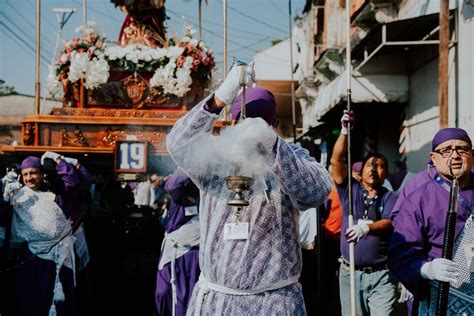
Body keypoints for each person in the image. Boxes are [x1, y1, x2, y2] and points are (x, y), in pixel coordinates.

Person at [166, 64, 332, 315]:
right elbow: (177, 145)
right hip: (219, 300)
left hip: (273, 302)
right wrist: (220, 97)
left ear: (274, 124)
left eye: (260, 123)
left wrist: (272, 144)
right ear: (232, 122)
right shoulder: (214, 158)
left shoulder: (291, 157)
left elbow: (317, 192)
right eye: (242, 122)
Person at [389, 128, 473, 315]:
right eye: (447, 150)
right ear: (434, 158)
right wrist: (425, 269)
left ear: (472, 155)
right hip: (438, 296)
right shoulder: (419, 198)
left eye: (462, 149)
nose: (455, 155)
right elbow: (399, 252)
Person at [330, 110, 399, 315]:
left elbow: (389, 222)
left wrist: (366, 228)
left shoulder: (391, 197)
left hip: (382, 275)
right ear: (361, 172)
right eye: (370, 164)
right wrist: (344, 131)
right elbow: (336, 161)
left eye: (380, 166)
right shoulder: (350, 190)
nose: (374, 169)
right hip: (350, 272)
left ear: (386, 173)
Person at [7, 153, 91, 316]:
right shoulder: (18, 196)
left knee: (60, 301)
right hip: (33, 257)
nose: (29, 178)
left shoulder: (56, 194)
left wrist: (59, 160)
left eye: (33, 173)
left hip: (59, 256)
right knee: (33, 299)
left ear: (41, 174)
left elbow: (73, 183)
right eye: (25, 174)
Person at [155, 168, 200, 316]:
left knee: (188, 299)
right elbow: (171, 185)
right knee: (163, 293)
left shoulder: (208, 198)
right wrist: (192, 161)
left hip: (196, 255)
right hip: (174, 253)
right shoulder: (180, 196)